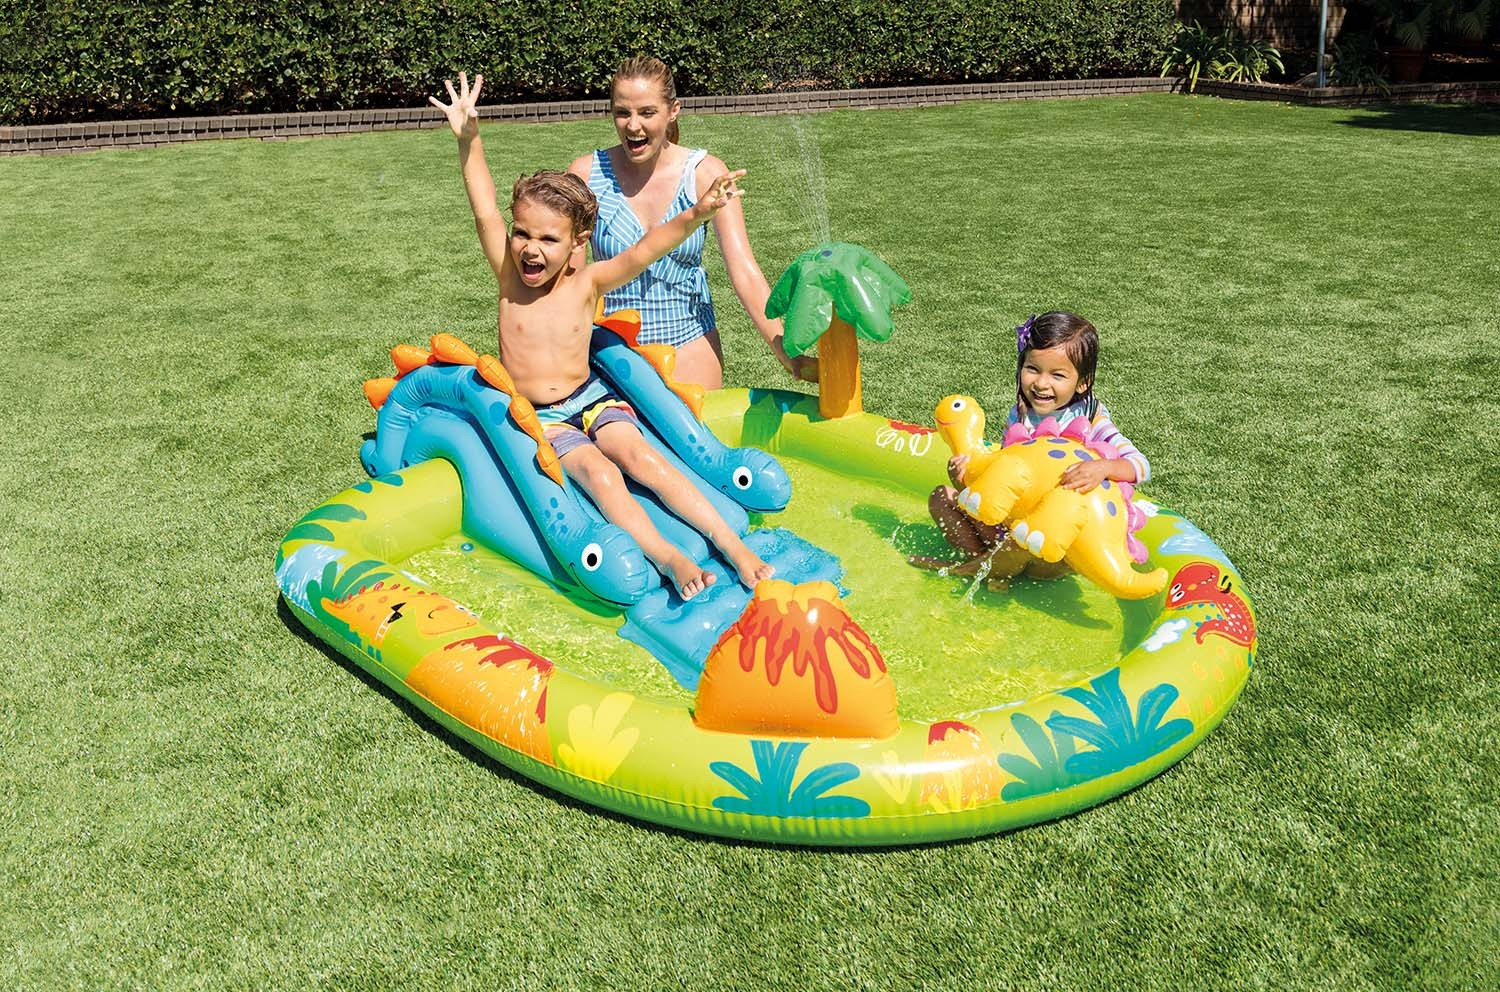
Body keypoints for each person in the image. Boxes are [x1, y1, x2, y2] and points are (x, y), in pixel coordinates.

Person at [429, 71, 774, 600]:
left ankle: (732, 545)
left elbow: (647, 248)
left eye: (548, 239)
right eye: (522, 234)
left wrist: (699, 212)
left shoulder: (587, 282)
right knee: (602, 476)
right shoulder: (508, 275)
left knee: (643, 460)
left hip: (593, 400)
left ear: (577, 243)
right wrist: (469, 139)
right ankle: (669, 557)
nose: (530, 249)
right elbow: (483, 207)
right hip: (543, 418)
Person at [566, 56, 816, 390]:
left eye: (647, 112)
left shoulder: (705, 174)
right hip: (610, 353)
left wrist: (784, 350)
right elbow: (568, 282)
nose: (633, 126)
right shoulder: (586, 175)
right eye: (622, 113)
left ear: (673, 111)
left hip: (689, 345)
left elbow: (744, 271)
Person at [917, 311, 1150, 585]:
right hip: (1012, 526)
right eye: (1033, 369)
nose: (1041, 383)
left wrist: (1102, 468)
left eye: (1057, 375)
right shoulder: (1020, 414)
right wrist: (965, 476)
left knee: (1022, 538)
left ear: (1082, 383)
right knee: (942, 497)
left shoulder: (1091, 419)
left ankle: (971, 571)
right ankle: (985, 563)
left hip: (1051, 544)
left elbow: (1141, 466)